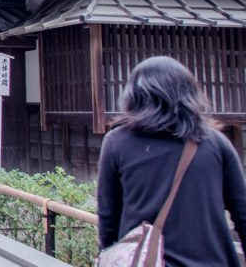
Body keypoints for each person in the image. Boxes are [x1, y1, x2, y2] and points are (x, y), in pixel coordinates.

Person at [97, 56, 246, 266]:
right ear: (190, 93)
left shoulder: (117, 143)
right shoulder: (215, 142)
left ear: (134, 95)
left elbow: (108, 218)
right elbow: (242, 213)